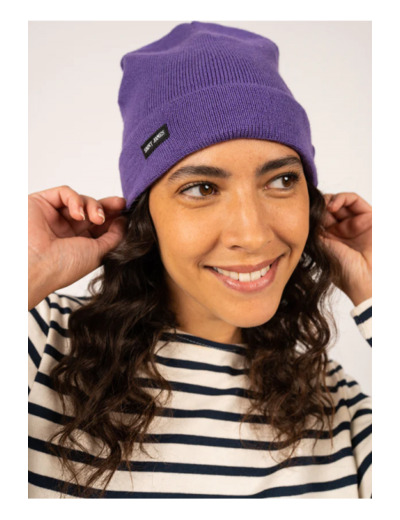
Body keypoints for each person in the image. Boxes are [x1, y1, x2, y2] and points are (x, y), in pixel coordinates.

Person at [28, 21, 372, 498]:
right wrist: (26, 268)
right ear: (145, 215)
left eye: (282, 181)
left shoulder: (335, 402)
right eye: (202, 188)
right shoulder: (43, 348)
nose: (253, 234)